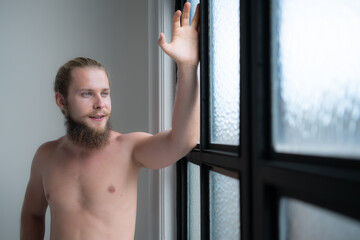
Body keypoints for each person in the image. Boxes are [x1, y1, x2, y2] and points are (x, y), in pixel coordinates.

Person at [20, 3, 199, 240]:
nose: (100, 104)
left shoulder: (130, 148)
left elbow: (183, 141)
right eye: (87, 93)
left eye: (105, 93)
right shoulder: (45, 155)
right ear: (61, 101)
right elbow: (32, 214)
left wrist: (186, 67)